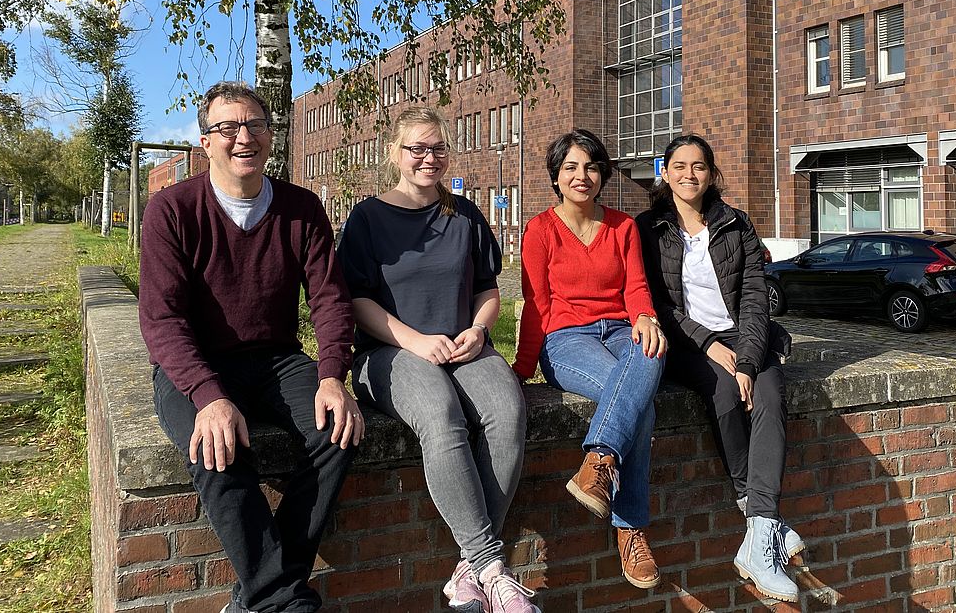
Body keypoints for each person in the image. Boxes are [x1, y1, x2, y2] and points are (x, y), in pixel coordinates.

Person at [139, 80, 364, 613]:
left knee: (340, 430)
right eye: (228, 128)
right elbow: (162, 320)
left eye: (255, 125)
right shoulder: (171, 210)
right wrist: (208, 396)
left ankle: (257, 595)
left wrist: (333, 374)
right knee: (218, 449)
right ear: (206, 142)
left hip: (275, 359)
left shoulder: (301, 209)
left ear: (270, 135)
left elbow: (331, 301)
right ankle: (285, 600)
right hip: (194, 362)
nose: (244, 137)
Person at [337, 106, 538, 613]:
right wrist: (414, 341)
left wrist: (478, 329)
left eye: (438, 149)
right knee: (440, 415)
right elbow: (356, 302)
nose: (429, 158)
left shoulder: (464, 214)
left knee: (508, 411)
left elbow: (488, 290)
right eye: (417, 149)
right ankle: (491, 565)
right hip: (390, 354)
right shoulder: (367, 218)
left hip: (463, 347)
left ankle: (470, 570)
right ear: (395, 154)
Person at [634, 134, 802, 604]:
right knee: (725, 395)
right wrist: (710, 346)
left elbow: (754, 297)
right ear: (664, 172)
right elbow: (657, 304)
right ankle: (763, 522)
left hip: (745, 338)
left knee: (769, 395)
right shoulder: (647, 228)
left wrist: (747, 359)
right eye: (680, 166)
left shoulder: (735, 223)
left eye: (700, 166)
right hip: (689, 344)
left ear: (711, 174)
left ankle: (760, 532)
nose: (690, 175)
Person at [514, 128, 666, 591]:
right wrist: (521, 369)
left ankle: (599, 459)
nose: (582, 176)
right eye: (571, 168)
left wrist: (646, 317)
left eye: (592, 166)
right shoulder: (540, 230)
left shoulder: (622, 226)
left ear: (603, 174)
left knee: (651, 349)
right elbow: (535, 303)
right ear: (556, 177)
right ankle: (630, 528)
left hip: (620, 329)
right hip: (566, 339)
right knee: (641, 404)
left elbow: (637, 286)